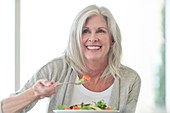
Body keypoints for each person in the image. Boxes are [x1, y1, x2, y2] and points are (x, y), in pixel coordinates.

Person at [0, 4, 141, 113]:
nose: (93, 38)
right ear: (76, 38)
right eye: (85, 31)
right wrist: (36, 93)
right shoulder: (57, 69)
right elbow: (4, 109)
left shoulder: (129, 79)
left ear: (112, 40)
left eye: (101, 31)